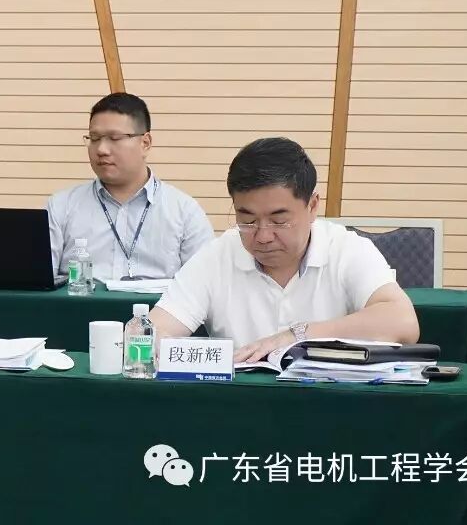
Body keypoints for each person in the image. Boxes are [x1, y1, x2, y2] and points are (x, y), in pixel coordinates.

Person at [150, 137, 419, 363]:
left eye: (279, 221)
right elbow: (153, 331)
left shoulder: (347, 249)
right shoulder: (217, 256)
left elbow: (402, 321)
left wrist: (297, 336)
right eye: (248, 220)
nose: (263, 236)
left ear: (313, 206)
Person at [47, 93, 214, 282]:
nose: (101, 149)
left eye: (114, 138)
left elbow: (205, 285)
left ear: (145, 143)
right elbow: (37, 284)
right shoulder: (61, 207)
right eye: (94, 138)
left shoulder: (184, 212)